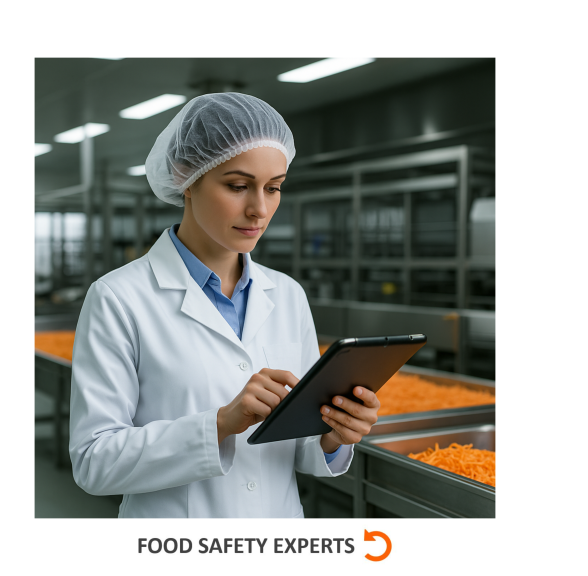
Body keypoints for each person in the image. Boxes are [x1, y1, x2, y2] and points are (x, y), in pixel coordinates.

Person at [68, 92, 380, 518]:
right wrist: (218, 424)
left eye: (274, 188)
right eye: (237, 186)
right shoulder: (119, 298)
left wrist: (334, 433)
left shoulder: (286, 294)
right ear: (186, 176)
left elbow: (301, 449)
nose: (260, 209)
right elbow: (94, 462)